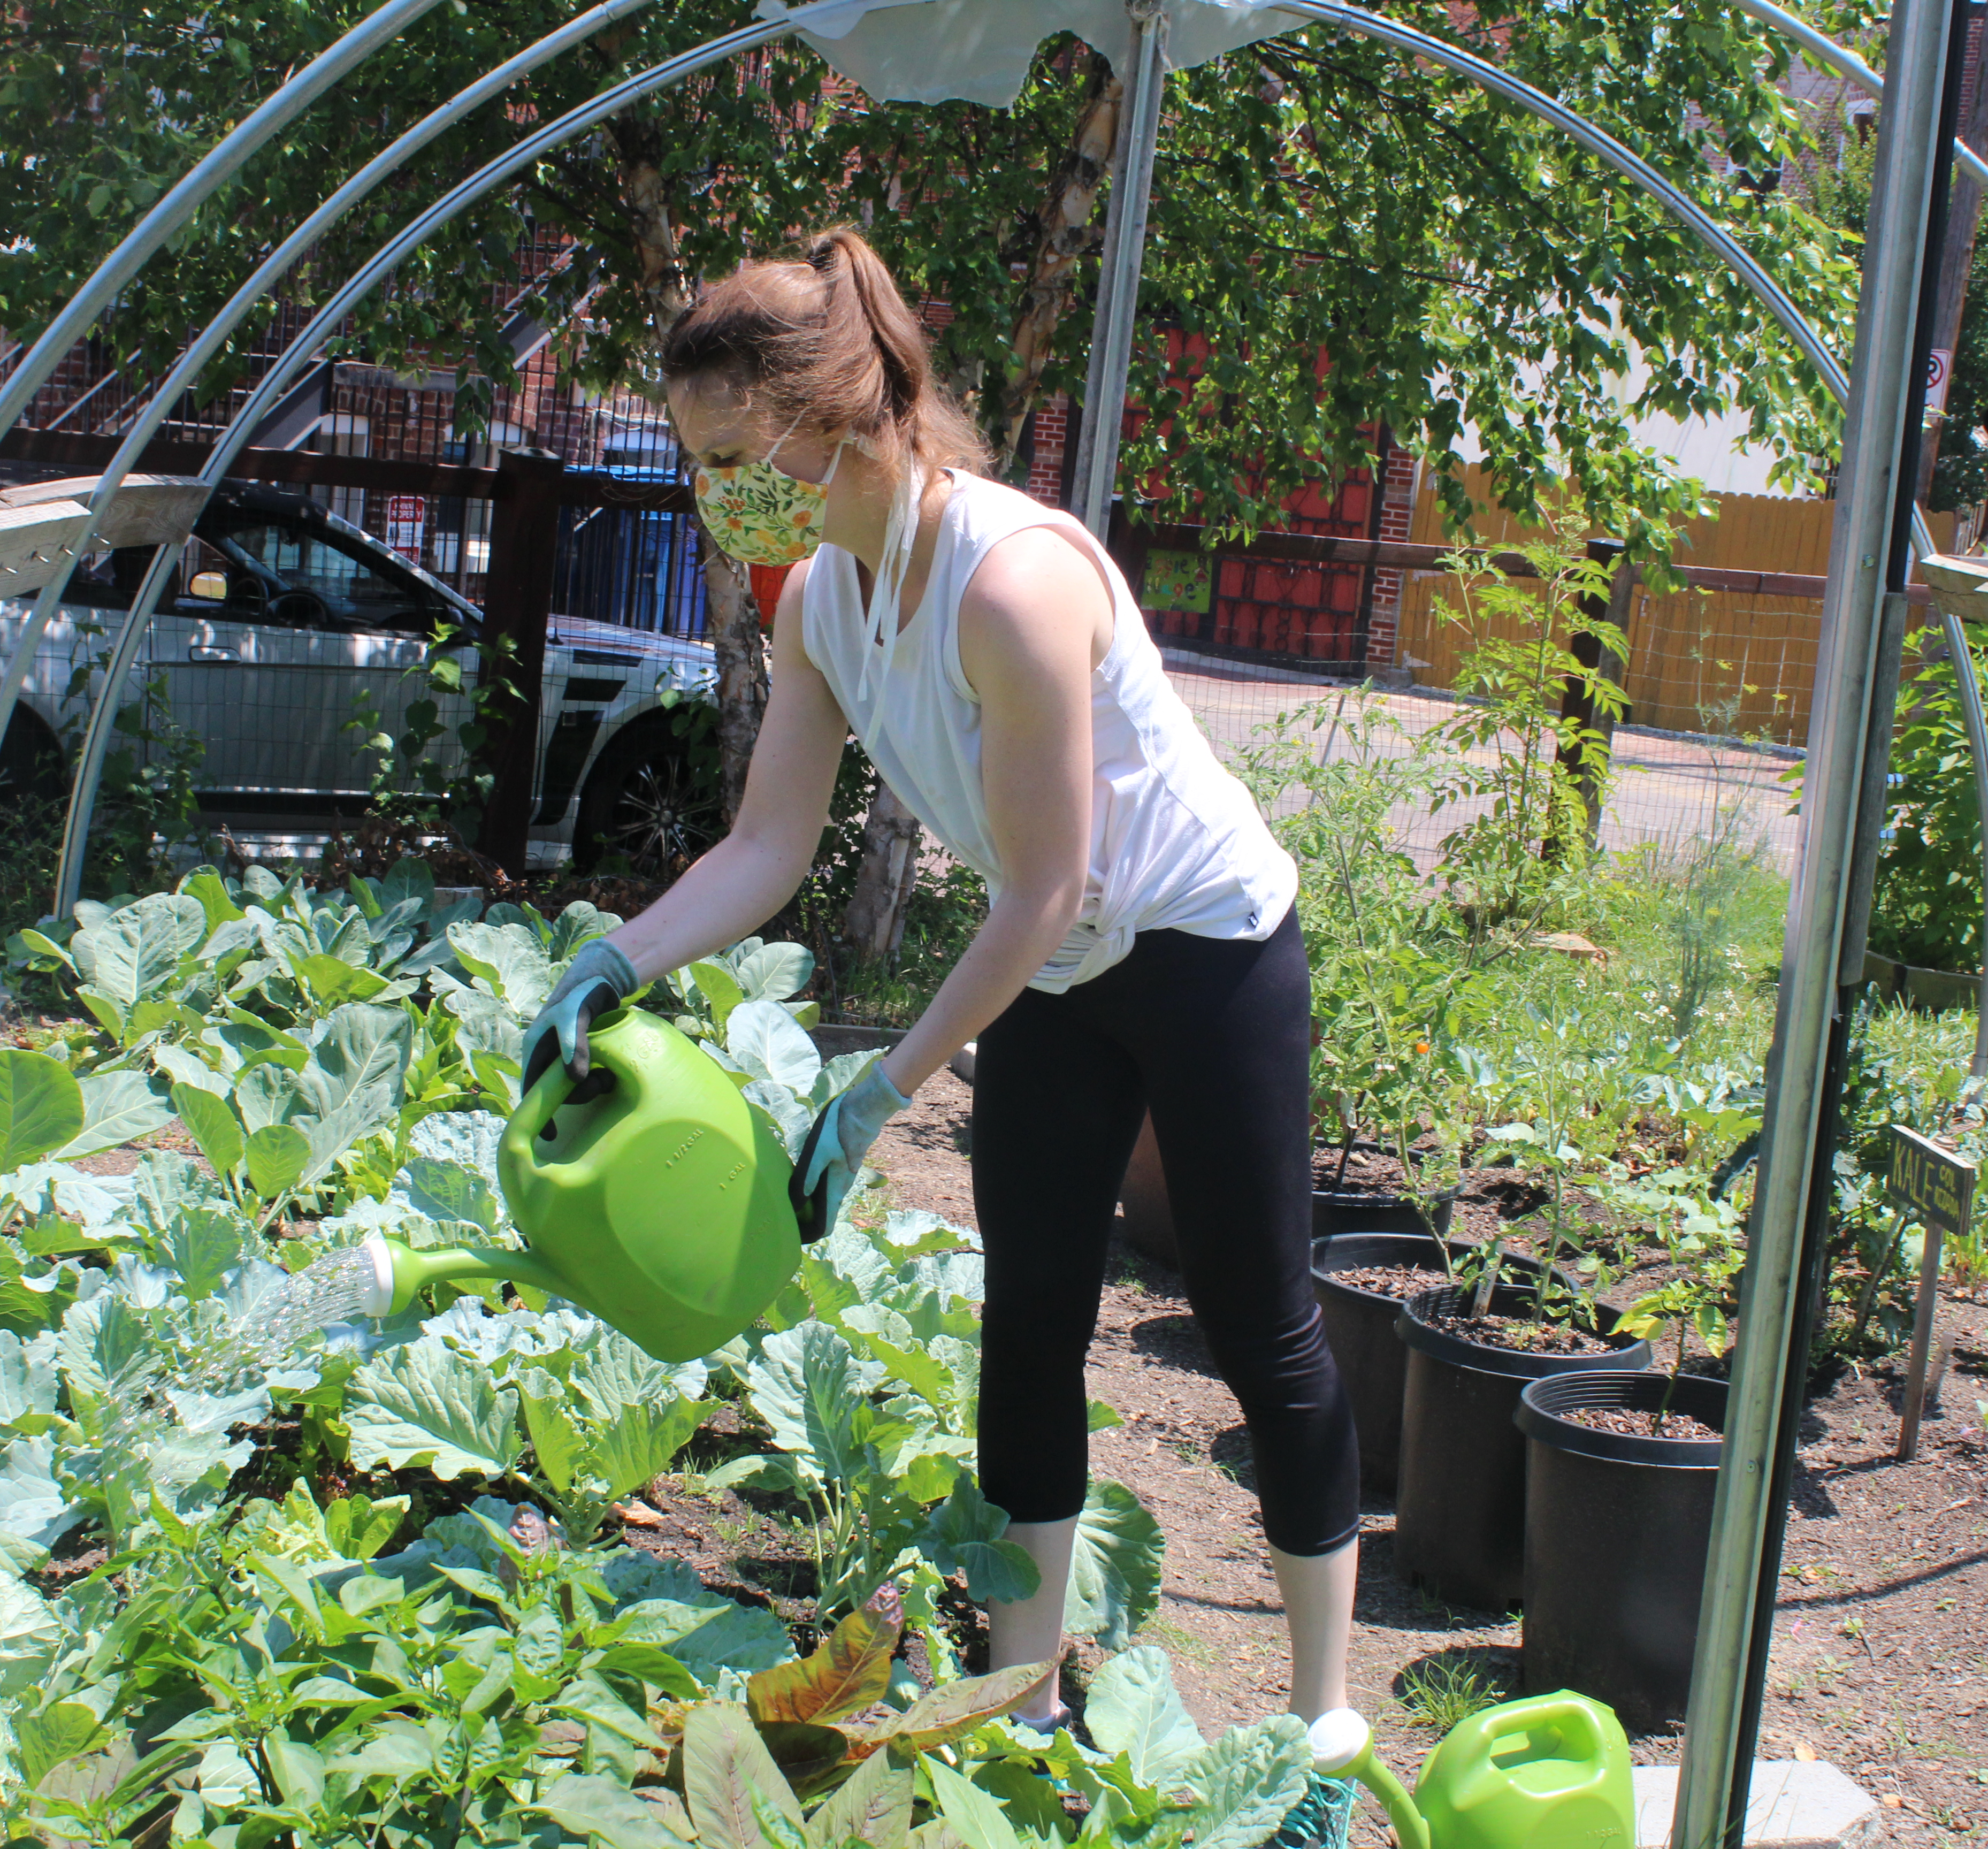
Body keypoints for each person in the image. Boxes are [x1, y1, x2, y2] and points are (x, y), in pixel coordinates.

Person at [524, 228, 1362, 1843]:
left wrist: (883, 1086)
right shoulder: (827, 599)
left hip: (1200, 948)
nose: (713, 494)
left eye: (723, 457)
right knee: (1029, 1328)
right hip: (1057, 975)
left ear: (827, 418)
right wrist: (610, 962)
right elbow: (770, 846)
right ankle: (1028, 1700)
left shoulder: (1015, 581)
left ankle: (1324, 1722)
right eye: (696, 463)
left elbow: (1044, 891)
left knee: (1264, 1327)